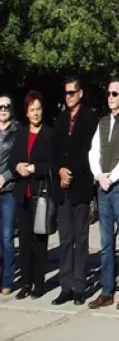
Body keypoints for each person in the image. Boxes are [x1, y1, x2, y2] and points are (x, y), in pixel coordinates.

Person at [87, 79, 119, 310]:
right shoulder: (102, 122)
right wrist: (99, 175)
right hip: (103, 186)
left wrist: (111, 177)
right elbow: (93, 151)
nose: (111, 97)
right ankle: (106, 290)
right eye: (109, 93)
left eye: (115, 94)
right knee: (106, 243)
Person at [51, 76, 98, 306]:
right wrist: (60, 170)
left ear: (80, 93)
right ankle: (65, 286)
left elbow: (88, 150)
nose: (68, 96)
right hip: (62, 187)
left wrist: (72, 172)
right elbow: (54, 149)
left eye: (72, 92)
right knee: (65, 238)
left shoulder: (89, 118)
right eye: (66, 93)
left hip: (79, 185)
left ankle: (79, 287)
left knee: (81, 238)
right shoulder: (60, 119)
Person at [12, 91, 53, 299]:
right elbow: (13, 160)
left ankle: (38, 282)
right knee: (25, 240)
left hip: (40, 193)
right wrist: (17, 166)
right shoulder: (20, 133)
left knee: (39, 240)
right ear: (26, 113)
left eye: (38, 109)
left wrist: (35, 168)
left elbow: (51, 165)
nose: (36, 113)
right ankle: (25, 283)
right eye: (32, 110)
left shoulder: (48, 134)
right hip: (23, 193)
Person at [0, 94, 19, 295]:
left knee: (6, 236)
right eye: (0, 106)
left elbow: (17, 158)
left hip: (9, 190)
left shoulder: (16, 131)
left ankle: (7, 279)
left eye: (6, 106)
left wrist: (4, 177)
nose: (3, 109)